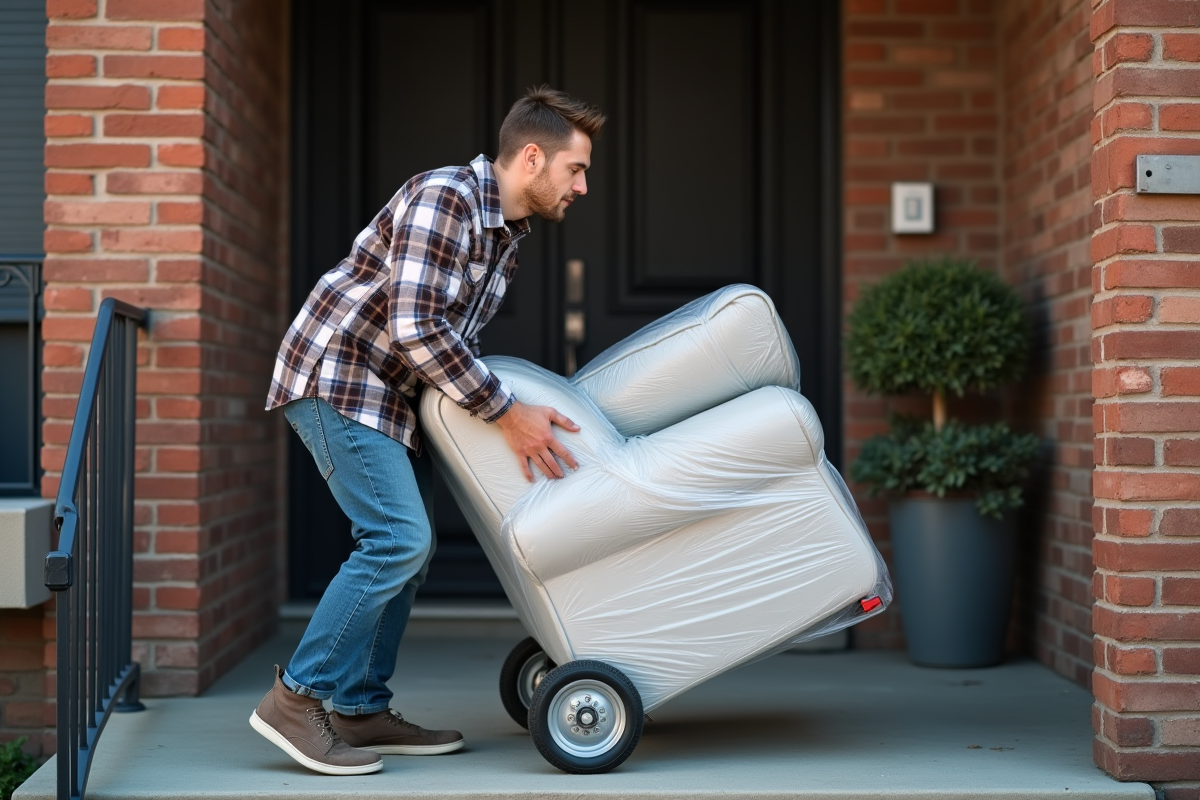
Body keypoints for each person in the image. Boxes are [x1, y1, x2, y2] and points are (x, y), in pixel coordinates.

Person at [251, 86, 606, 775]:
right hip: (341, 378)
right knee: (397, 539)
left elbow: (445, 342)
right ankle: (296, 699)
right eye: (576, 169)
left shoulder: (504, 236)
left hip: (391, 397)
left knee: (409, 550)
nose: (583, 187)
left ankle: (358, 707)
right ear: (533, 158)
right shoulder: (447, 199)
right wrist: (507, 414)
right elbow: (416, 328)